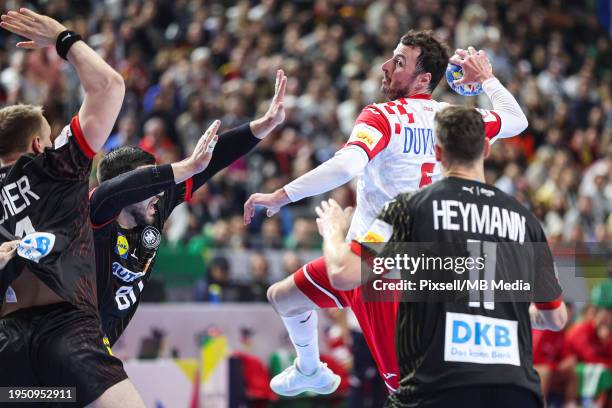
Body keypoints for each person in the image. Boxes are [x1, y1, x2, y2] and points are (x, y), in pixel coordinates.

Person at [243, 30, 528, 395]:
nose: (385, 66)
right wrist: (487, 77)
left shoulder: (383, 116)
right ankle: (310, 370)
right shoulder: (457, 120)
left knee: (404, 389)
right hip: (372, 254)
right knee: (282, 296)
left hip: (382, 269)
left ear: (424, 79)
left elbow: (347, 166)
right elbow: (516, 119)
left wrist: (281, 196)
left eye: (399, 63)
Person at [316, 106, 568, 407]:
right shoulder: (525, 221)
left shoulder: (405, 209)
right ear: (486, 148)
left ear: (436, 152)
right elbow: (556, 319)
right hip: (513, 390)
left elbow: (344, 273)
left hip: (437, 388)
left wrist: (333, 230)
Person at [0, 8, 145, 407]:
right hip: (65, 332)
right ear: (37, 145)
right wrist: (64, 38)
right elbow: (110, 87)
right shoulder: (51, 165)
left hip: (7, 346)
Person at [90, 70, 286, 346]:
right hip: (68, 341)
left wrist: (265, 125)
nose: (157, 190)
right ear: (125, 188)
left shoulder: (155, 209)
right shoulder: (95, 217)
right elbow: (109, 193)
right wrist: (185, 165)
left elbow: (214, 160)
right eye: (147, 183)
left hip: (102, 345)